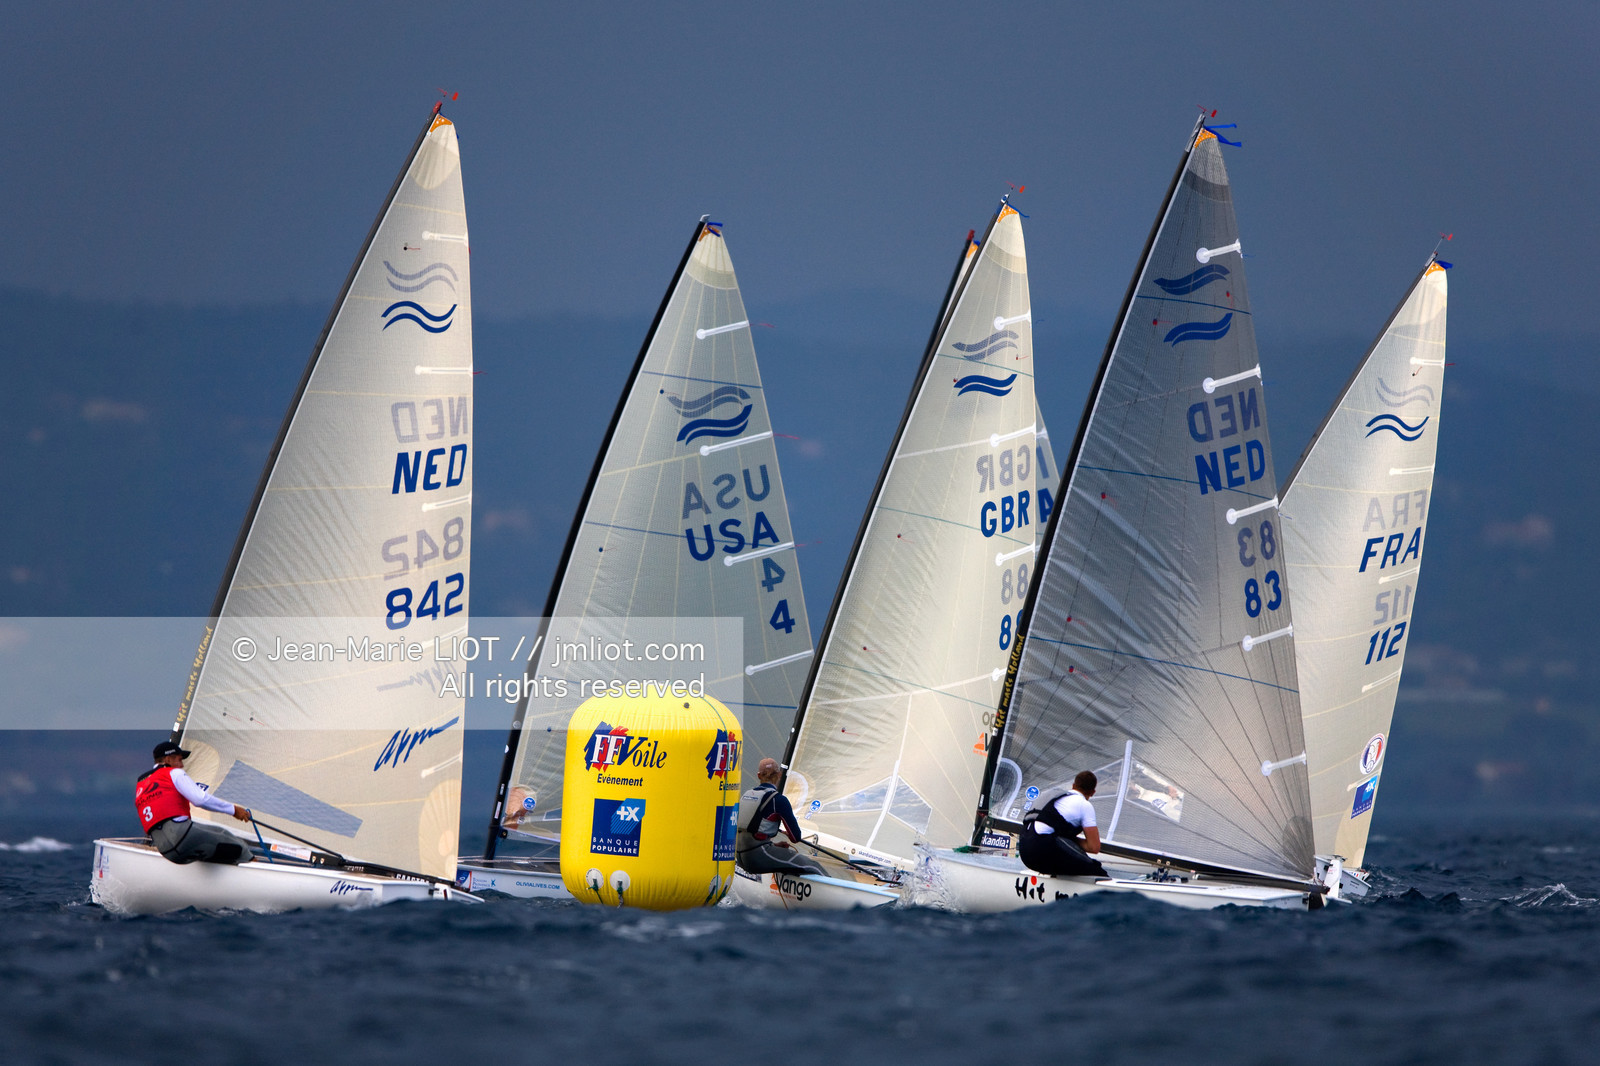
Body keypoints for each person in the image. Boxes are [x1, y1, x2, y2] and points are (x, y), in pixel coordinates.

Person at [134, 740, 255, 865]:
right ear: (168, 759)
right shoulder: (174, 773)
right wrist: (233, 810)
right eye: (180, 760)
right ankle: (254, 870)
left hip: (165, 849)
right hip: (182, 837)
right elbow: (200, 799)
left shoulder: (141, 783)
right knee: (239, 845)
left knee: (218, 844)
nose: (182, 765)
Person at [735, 758, 823, 876]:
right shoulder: (779, 800)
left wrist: (774, 846)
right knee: (814, 866)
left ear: (758, 776)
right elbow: (795, 837)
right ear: (779, 775)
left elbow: (750, 832)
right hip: (758, 857)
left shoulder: (746, 795)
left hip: (739, 856)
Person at [1018, 770, 1109, 878]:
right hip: (1042, 850)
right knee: (1097, 870)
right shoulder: (1084, 805)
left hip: (1024, 850)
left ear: (1073, 785)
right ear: (1093, 792)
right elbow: (1094, 847)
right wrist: (1071, 841)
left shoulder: (1053, 796)